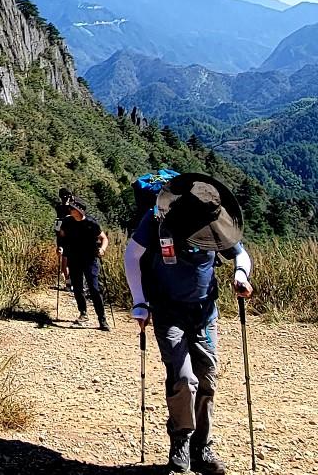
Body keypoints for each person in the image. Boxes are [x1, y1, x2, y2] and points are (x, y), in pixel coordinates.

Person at [122, 173, 254, 475]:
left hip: (205, 311)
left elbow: (240, 254)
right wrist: (140, 301)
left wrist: (240, 276)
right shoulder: (157, 218)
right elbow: (133, 255)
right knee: (183, 379)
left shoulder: (216, 221)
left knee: (207, 378)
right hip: (168, 311)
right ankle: (180, 442)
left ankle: (201, 448)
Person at [53, 195, 109, 329]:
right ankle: (83, 313)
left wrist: (102, 249)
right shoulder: (67, 222)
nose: (70, 211)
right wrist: (60, 247)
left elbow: (104, 238)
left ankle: (102, 319)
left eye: (72, 209)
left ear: (79, 210)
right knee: (78, 288)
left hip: (90, 259)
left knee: (94, 289)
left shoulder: (91, 223)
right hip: (74, 258)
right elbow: (61, 237)